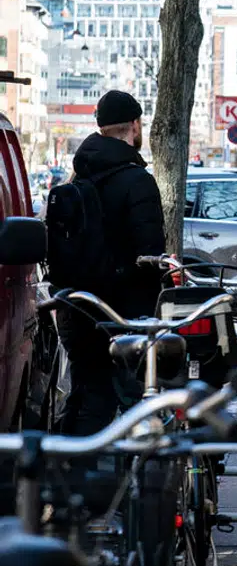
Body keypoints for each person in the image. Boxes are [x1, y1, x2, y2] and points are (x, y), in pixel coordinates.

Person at [54, 90, 165, 435]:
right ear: (135, 125)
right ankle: (138, 483)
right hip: (125, 314)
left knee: (88, 397)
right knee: (135, 402)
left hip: (79, 308)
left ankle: (65, 476)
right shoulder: (138, 181)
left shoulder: (77, 178)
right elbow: (149, 253)